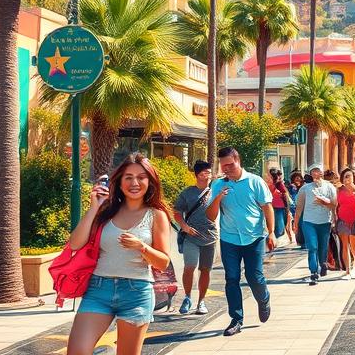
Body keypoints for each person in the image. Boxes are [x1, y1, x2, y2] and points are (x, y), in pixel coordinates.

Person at [65, 153, 172, 355]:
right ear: (120, 182)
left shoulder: (156, 215)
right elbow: (75, 244)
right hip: (98, 290)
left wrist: (142, 247)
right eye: (128, 177)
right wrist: (94, 208)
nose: (135, 183)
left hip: (136, 292)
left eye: (141, 177)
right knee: (77, 351)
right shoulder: (106, 211)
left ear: (150, 182)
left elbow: (163, 263)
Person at [205, 147, 275, 337]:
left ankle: (263, 298)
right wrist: (218, 198)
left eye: (230, 164)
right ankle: (236, 319)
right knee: (232, 278)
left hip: (254, 238)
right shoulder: (218, 185)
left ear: (238, 161)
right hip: (229, 239)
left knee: (254, 276)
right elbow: (210, 216)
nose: (226, 168)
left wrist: (271, 233)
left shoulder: (255, 181)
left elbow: (267, 208)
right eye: (223, 166)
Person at [173, 160, 217, 316]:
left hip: (210, 237)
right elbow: (177, 212)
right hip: (191, 236)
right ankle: (187, 297)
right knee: (189, 266)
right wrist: (184, 227)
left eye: (210, 173)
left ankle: (201, 302)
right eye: (205, 173)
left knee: (205, 270)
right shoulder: (188, 193)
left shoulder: (215, 192)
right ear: (197, 175)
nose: (208, 176)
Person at [293, 163, 337, 285]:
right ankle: (313, 272)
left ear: (322, 172)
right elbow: (299, 207)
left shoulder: (330, 187)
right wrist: (295, 224)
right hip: (309, 222)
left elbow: (334, 205)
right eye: (313, 171)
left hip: (325, 221)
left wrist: (326, 206)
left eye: (317, 171)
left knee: (323, 247)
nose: (315, 173)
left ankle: (323, 263)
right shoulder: (305, 189)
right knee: (312, 247)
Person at [336, 167, 355, 279]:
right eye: (345, 177)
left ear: (354, 178)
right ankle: (348, 271)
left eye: (349, 176)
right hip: (342, 220)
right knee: (345, 246)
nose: (347, 179)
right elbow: (336, 205)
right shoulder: (338, 190)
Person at [268, 168, 292, 243]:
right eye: (277, 175)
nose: (279, 177)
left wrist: (288, 209)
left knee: (282, 227)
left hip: (282, 208)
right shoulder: (270, 185)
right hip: (274, 208)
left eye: (279, 175)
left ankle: (275, 242)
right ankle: (273, 242)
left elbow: (286, 197)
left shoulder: (280, 184)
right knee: (279, 229)